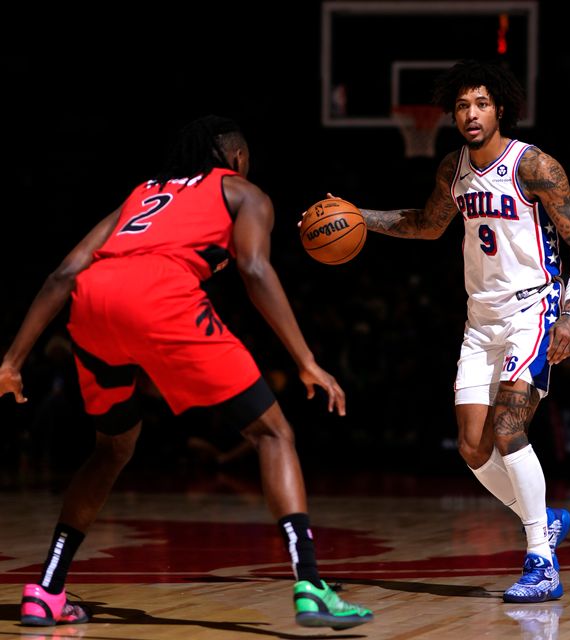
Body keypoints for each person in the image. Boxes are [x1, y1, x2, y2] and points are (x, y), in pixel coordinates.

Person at [0, 115, 373, 631]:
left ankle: (46, 591)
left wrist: (12, 361)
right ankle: (310, 584)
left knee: (112, 447)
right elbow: (255, 269)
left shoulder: (140, 194)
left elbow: (66, 270)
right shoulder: (244, 193)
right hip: (163, 300)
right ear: (237, 158)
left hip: (94, 304)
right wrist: (306, 360)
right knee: (273, 433)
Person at [329, 59, 570, 602]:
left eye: (480, 103)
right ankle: (543, 518)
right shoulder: (452, 168)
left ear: (501, 108)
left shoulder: (534, 166)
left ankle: (541, 562)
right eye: (461, 106)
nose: (470, 114)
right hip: (481, 321)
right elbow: (426, 225)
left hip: (534, 309)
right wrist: (359, 215)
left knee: (507, 428)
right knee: (474, 449)